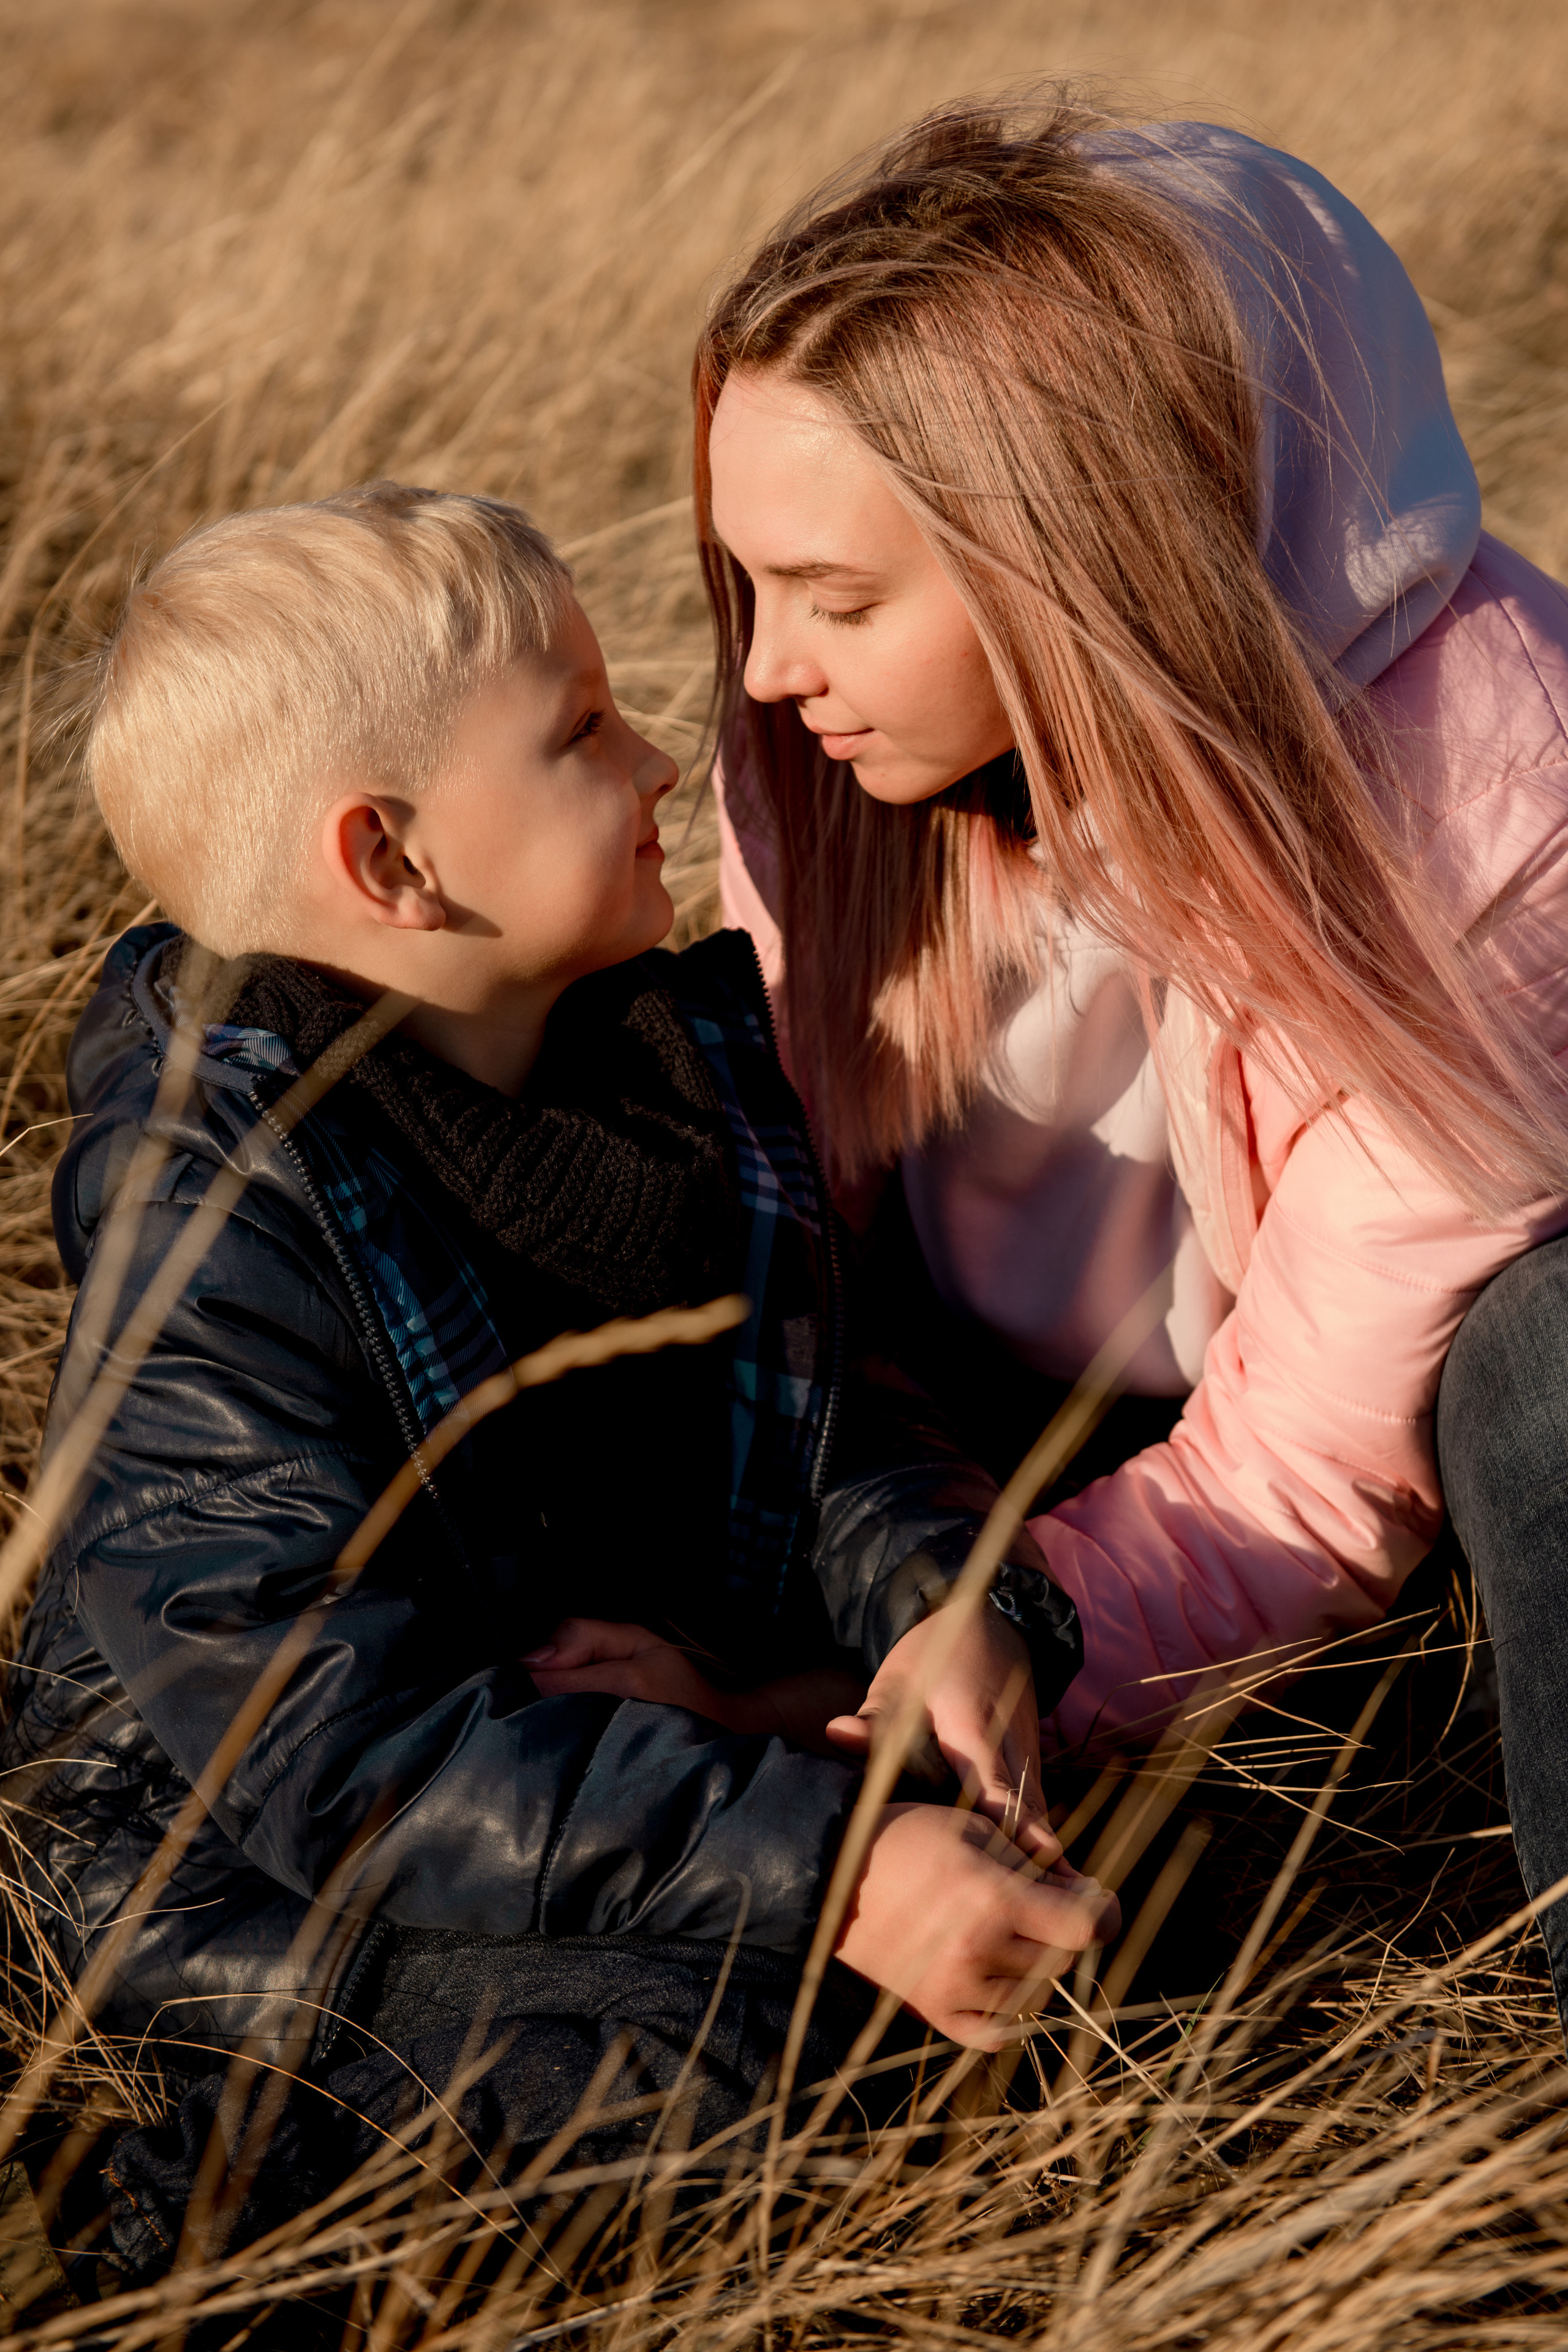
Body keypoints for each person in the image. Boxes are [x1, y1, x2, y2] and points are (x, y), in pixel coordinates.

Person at [1, 483, 1111, 2278]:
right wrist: (833, 1863)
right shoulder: (216, 1218)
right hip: (254, 1875)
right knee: (734, 2047)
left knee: (1058, 1923)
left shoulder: (662, 1075)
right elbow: (324, 1747)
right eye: (583, 729)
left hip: (599, 1758)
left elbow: (831, 1403)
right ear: (392, 862)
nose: (662, 757)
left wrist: (945, 1601)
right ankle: (187, 2233)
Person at [696, 99, 1568, 2021]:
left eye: (840, 599)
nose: (763, 669)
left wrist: (1001, 1638)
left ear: (1078, 564)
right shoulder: (820, 745)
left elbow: (1315, 1455)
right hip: (980, 1436)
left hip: (1343, 1452)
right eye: (752, 582)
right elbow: (796, 1262)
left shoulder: (1506, 810)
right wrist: (848, 1624)